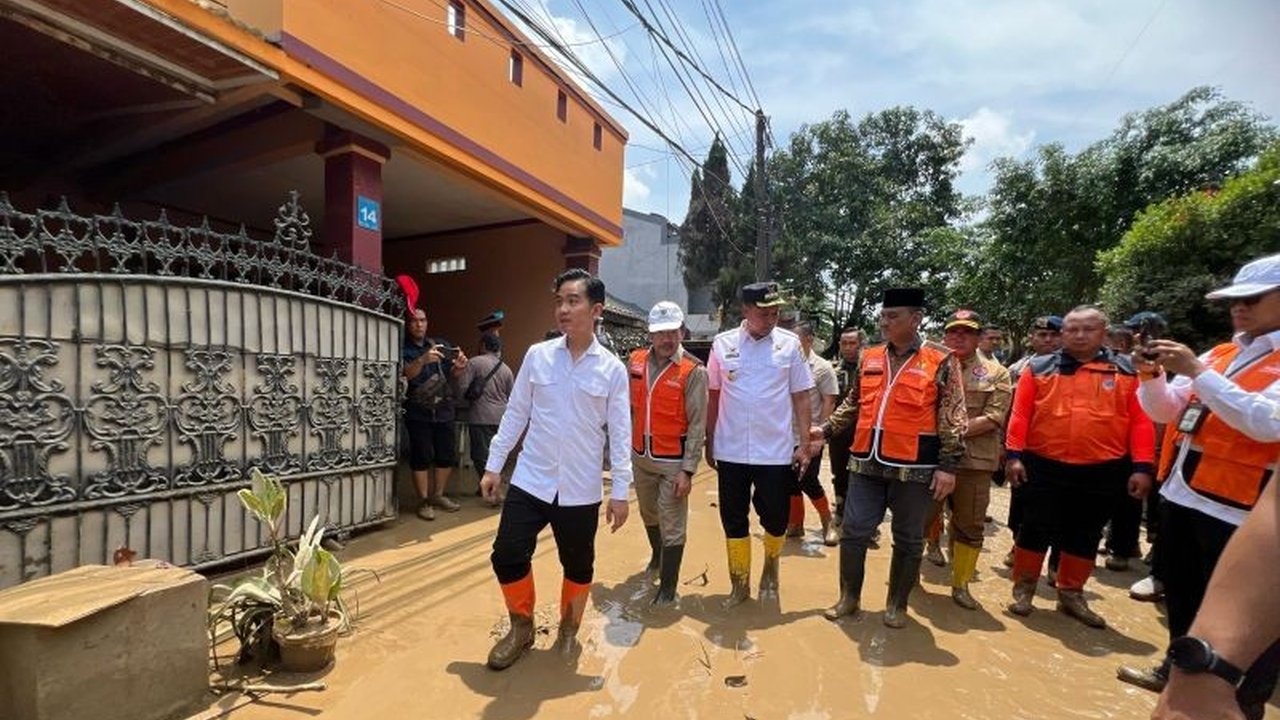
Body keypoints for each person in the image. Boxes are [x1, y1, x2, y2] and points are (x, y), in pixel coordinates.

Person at [1117, 253, 1280, 719]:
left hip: (1246, 517)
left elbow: (1267, 423)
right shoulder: (1222, 353)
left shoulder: (1207, 363)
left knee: (1242, 629)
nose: (1239, 308)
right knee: (1186, 602)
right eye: (1234, 300)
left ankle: (1242, 704)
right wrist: (1151, 375)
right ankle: (1175, 674)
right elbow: (1166, 412)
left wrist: (1196, 372)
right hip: (1186, 496)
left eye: (1252, 299)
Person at [479, 269, 633, 671]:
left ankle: (568, 629)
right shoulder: (537, 355)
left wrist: (621, 492)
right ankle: (521, 627)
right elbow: (516, 414)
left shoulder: (612, 370)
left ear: (596, 310)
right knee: (507, 554)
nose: (563, 309)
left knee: (578, 564)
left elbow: (620, 434)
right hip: (532, 479)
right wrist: (494, 466)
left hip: (581, 488)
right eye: (559, 301)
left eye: (572, 301)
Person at [815, 287, 965, 629]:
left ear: (916, 319)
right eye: (883, 316)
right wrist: (824, 431)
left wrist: (948, 466)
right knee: (854, 531)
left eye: (893, 316)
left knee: (909, 537)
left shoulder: (941, 360)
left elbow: (953, 416)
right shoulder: (870, 356)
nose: (884, 322)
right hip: (866, 463)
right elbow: (853, 403)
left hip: (915, 468)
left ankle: (897, 605)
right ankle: (849, 599)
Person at [1004, 305, 1154, 628]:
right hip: (1043, 464)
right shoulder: (1039, 367)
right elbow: (1020, 414)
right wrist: (1013, 456)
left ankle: (1071, 593)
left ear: (1103, 332)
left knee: (1084, 534)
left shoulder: (1128, 371)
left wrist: (1142, 466)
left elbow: (1141, 421)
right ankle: (1024, 588)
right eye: (1072, 330)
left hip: (1103, 469)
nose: (1080, 335)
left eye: (1088, 329)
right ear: (1063, 334)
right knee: (1033, 527)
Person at [705, 281, 815, 607]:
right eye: (764, 312)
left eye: (775, 312)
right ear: (746, 311)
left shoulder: (790, 345)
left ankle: (771, 566)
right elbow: (713, 395)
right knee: (733, 518)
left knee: (776, 518)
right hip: (731, 449)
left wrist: (805, 443)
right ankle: (739, 584)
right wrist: (709, 441)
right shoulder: (722, 344)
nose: (771, 317)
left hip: (775, 452)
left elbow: (801, 397)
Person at [1150, 466, 1279, 720]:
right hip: (1191, 489)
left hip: (1237, 500)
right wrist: (1205, 673)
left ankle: (1247, 699)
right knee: (1184, 595)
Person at [921, 310, 1012, 609]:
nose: (959, 337)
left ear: (978, 337)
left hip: (972, 462)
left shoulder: (996, 373)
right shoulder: (928, 367)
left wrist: (948, 432)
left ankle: (960, 585)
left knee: (970, 525)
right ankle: (911, 575)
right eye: (953, 332)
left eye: (967, 332)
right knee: (918, 518)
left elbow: (994, 418)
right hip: (930, 460)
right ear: (945, 336)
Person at [628, 300, 708, 605]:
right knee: (648, 512)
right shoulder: (634, 362)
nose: (666, 339)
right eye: (660, 333)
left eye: (672, 332)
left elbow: (698, 425)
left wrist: (688, 471)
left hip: (673, 464)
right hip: (640, 458)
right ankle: (657, 557)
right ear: (650, 335)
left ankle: (668, 588)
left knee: (672, 523)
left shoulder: (692, 371)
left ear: (682, 331)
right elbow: (625, 409)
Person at [1003, 314, 1063, 566]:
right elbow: (1010, 411)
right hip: (1027, 450)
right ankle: (1020, 546)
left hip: (1063, 450)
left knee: (1063, 513)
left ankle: (1056, 566)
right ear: (1032, 338)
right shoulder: (1017, 369)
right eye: (1042, 334)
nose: (1048, 339)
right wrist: (1006, 449)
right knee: (1022, 506)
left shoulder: (1075, 368)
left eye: (1053, 335)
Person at [403, 307, 469, 521]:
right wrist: (422, 360)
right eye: (414, 321)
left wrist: (460, 366)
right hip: (418, 410)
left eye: (422, 320)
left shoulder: (439, 344)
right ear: (407, 324)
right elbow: (406, 374)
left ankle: (438, 495)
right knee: (421, 455)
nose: (419, 325)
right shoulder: (403, 347)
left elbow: (454, 374)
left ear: (427, 322)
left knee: (445, 454)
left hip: (443, 409)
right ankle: (423, 501)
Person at [787, 322, 841, 546]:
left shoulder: (822, 367)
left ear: (809, 340)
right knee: (789, 481)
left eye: (796, 340)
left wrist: (820, 436)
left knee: (808, 480)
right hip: (785, 435)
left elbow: (829, 401)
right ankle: (795, 524)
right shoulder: (786, 365)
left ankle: (827, 522)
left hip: (809, 435)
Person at [464, 331, 514, 507]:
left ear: (483, 345)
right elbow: (511, 396)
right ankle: (488, 486)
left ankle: (493, 491)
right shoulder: (506, 369)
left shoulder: (474, 363)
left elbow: (462, 387)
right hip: (501, 418)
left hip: (480, 416)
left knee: (481, 455)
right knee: (498, 454)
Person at [828, 326, 863, 522]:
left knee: (862, 476)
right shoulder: (832, 370)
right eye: (844, 343)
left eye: (853, 343)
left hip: (864, 433)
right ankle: (840, 511)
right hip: (839, 433)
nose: (848, 348)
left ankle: (863, 519)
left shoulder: (871, 369)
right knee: (840, 474)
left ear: (861, 345)